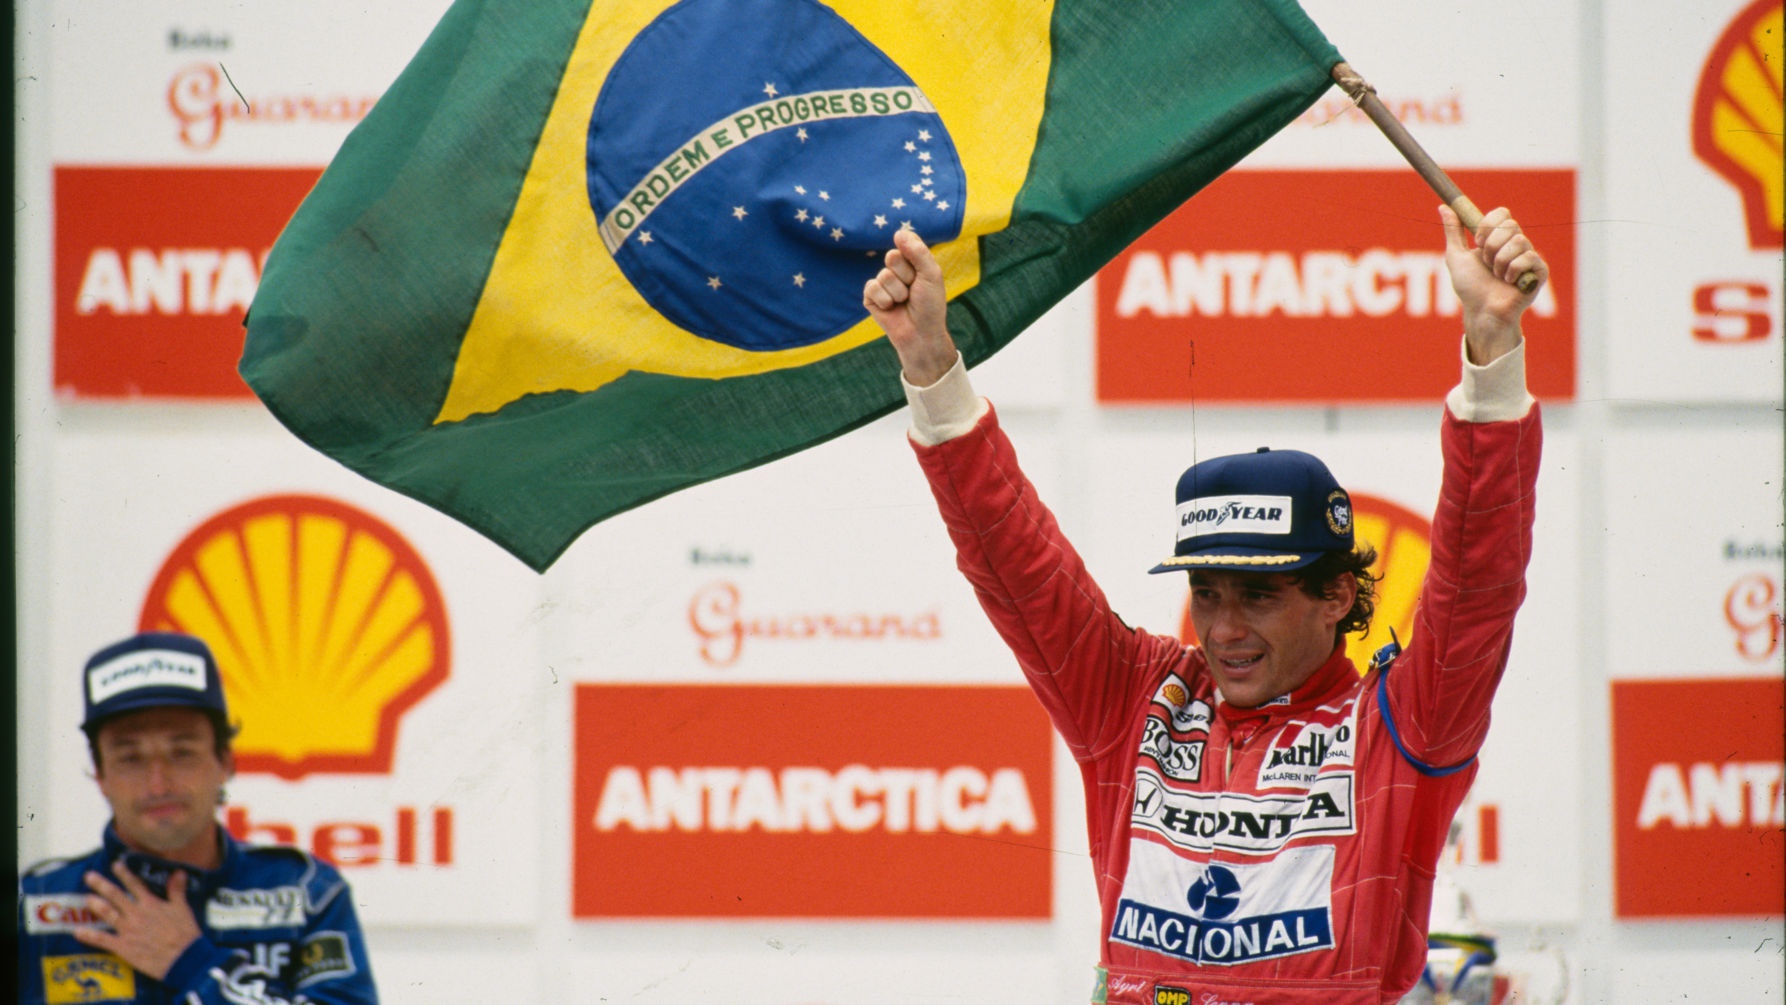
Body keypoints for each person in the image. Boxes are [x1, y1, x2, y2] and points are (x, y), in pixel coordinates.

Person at [864, 205, 1546, 1005]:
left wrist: (1494, 353)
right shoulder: (1138, 700)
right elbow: (1016, 564)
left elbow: (1477, 587)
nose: (1223, 628)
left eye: (1259, 594)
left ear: (1337, 594)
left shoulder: (1398, 728)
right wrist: (929, 361)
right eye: (1206, 591)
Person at [17, 632, 378, 1004]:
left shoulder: (306, 893)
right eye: (130, 758)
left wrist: (193, 964)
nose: (157, 785)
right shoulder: (34, 905)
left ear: (224, 761)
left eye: (182, 753)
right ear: (100, 773)